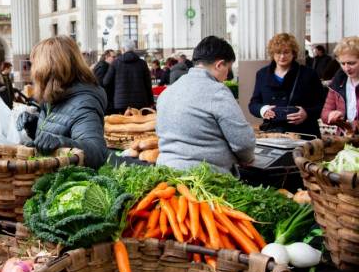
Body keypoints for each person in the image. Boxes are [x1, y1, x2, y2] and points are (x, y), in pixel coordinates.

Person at [156, 36, 255, 174]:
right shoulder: (217, 92)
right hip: (206, 179)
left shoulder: (168, 91)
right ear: (219, 65)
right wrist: (248, 157)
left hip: (165, 173)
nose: (227, 76)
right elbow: (243, 143)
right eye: (228, 68)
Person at [16, 36, 108, 169]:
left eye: (35, 65)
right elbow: (61, 125)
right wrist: (34, 125)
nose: (32, 71)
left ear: (48, 69)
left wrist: (60, 142)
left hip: (67, 183)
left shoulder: (83, 103)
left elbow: (97, 153)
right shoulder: (54, 96)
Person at [248, 33, 324, 137]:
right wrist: (263, 110)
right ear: (272, 53)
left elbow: (322, 104)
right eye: (278, 52)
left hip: (304, 133)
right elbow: (253, 104)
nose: (282, 56)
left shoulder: (309, 74)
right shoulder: (262, 74)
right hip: (273, 134)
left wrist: (307, 113)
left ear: (293, 53)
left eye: (286, 52)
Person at [103, 40, 153, 114]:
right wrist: (151, 101)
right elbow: (148, 84)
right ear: (134, 49)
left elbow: (106, 82)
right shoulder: (142, 63)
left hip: (121, 103)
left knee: (125, 124)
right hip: (140, 101)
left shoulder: (116, 63)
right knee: (139, 124)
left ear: (123, 49)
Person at [321, 36, 359, 135]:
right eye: (343, 63)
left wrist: (353, 125)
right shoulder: (337, 82)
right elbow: (324, 114)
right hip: (345, 140)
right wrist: (331, 115)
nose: (347, 68)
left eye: (352, 63)